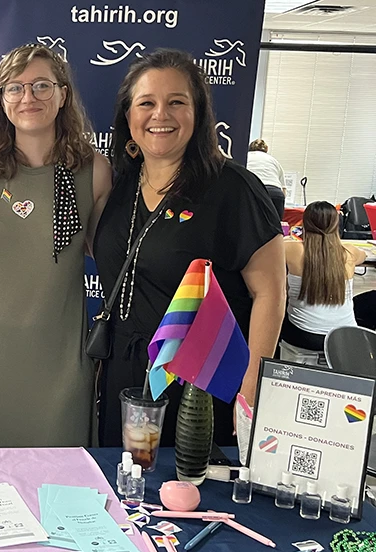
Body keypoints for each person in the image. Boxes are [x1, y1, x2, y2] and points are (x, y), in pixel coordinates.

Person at [93, 49, 285, 447]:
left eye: (176, 102)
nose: (160, 114)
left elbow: (270, 291)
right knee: (123, 490)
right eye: (146, 103)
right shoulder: (120, 186)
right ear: (128, 117)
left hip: (200, 382)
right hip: (125, 377)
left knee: (187, 499)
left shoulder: (232, 188)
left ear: (197, 115)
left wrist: (252, 382)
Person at [0, 43, 112, 448]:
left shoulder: (94, 170)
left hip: (59, 360)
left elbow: (108, 259)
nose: (28, 98)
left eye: (41, 86)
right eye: (14, 88)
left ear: (62, 95)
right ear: (1, 100)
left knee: (59, 483)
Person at [282, 201, 366, 358]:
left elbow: (277, 244)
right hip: (343, 337)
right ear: (336, 225)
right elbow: (364, 255)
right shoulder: (349, 252)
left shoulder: (291, 249)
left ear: (304, 223)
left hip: (303, 335)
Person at [247, 138, 287, 219]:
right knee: (276, 227)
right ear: (266, 149)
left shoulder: (245, 157)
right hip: (275, 193)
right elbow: (284, 190)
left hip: (254, 191)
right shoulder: (274, 161)